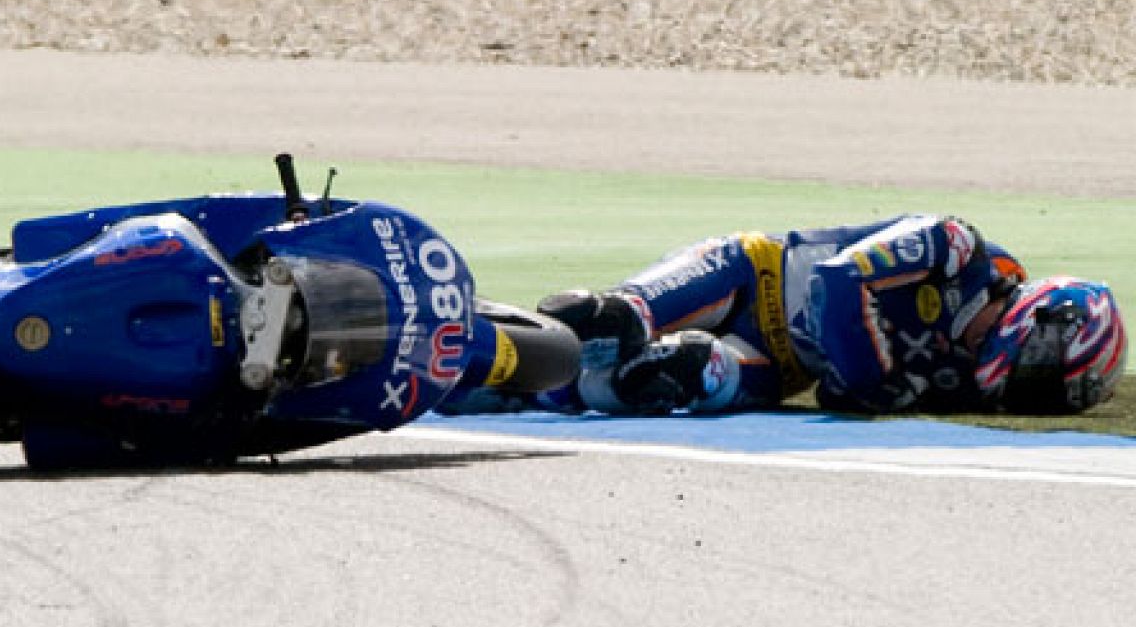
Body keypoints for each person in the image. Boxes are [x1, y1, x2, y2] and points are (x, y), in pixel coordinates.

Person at [447, 214, 1126, 416]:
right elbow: (837, 284)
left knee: (689, 377)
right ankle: (470, 329)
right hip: (752, 280)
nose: (1021, 386)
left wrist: (866, 387)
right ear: (1041, 317)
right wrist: (875, 381)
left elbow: (837, 392)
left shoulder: (964, 377)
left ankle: (515, 386)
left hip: (779, 365)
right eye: (1041, 370)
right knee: (614, 322)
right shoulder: (954, 247)